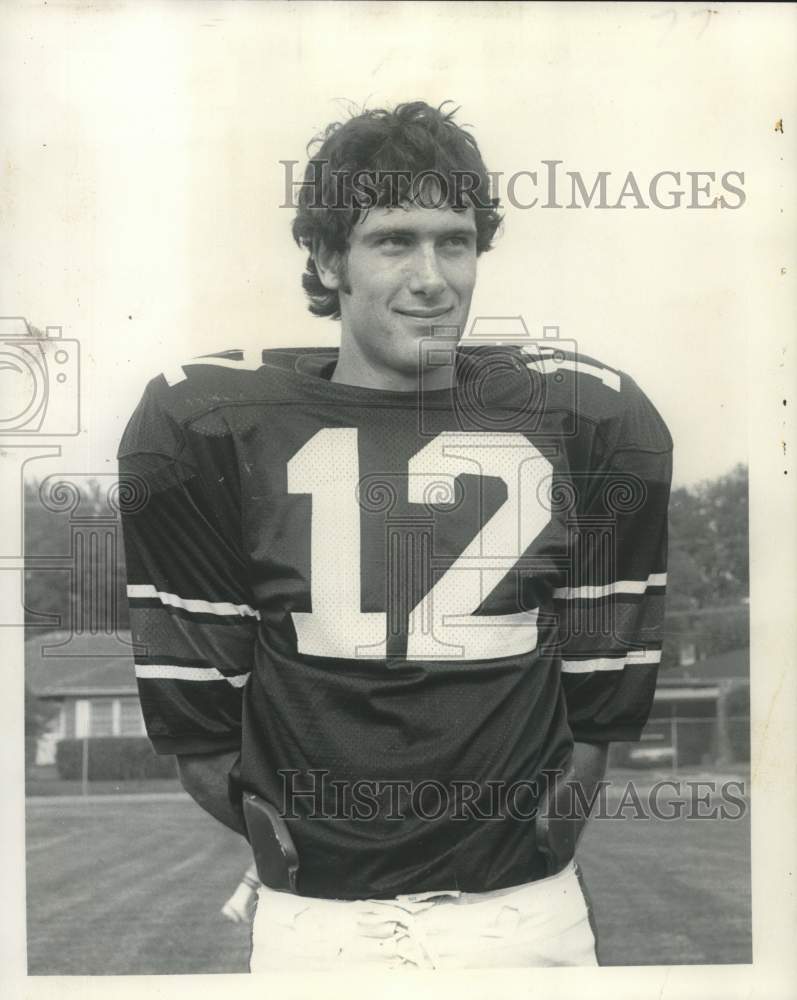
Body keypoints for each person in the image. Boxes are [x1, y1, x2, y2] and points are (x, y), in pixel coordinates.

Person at [118, 100, 672, 970]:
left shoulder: (586, 418)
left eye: (454, 241)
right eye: (393, 240)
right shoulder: (212, 425)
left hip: (523, 916)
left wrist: (554, 815)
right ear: (326, 256)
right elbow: (200, 726)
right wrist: (286, 838)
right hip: (318, 924)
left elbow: (600, 697)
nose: (432, 277)